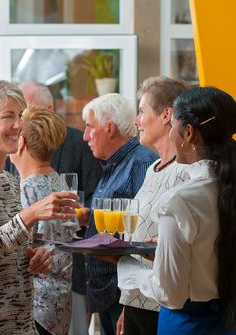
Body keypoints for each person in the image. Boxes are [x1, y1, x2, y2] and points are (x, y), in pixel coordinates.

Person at [0, 78, 80, 334]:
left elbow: (5, 247)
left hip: (22, 326)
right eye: (8, 116)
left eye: (20, 115)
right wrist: (29, 215)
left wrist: (31, 256)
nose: (19, 125)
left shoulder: (10, 181)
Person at [115, 86, 236, 334]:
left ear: (188, 133)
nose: (171, 136)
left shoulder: (178, 200)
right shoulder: (224, 187)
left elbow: (169, 293)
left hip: (186, 324)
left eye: (174, 127)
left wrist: (126, 267)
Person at [76, 93, 158, 335]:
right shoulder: (114, 163)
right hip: (110, 294)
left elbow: (146, 238)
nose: (85, 136)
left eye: (90, 127)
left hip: (122, 294)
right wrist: (88, 220)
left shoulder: (141, 164)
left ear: (109, 128)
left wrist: (129, 304)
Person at [115, 76, 191, 335]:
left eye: (142, 111)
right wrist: (127, 304)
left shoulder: (188, 173)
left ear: (166, 115)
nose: (136, 120)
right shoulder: (152, 170)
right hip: (138, 302)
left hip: (164, 308)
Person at [10, 105, 72, 335]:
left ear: (21, 143)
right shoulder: (58, 181)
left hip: (34, 305)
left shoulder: (27, 189)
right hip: (58, 303)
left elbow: (16, 247)